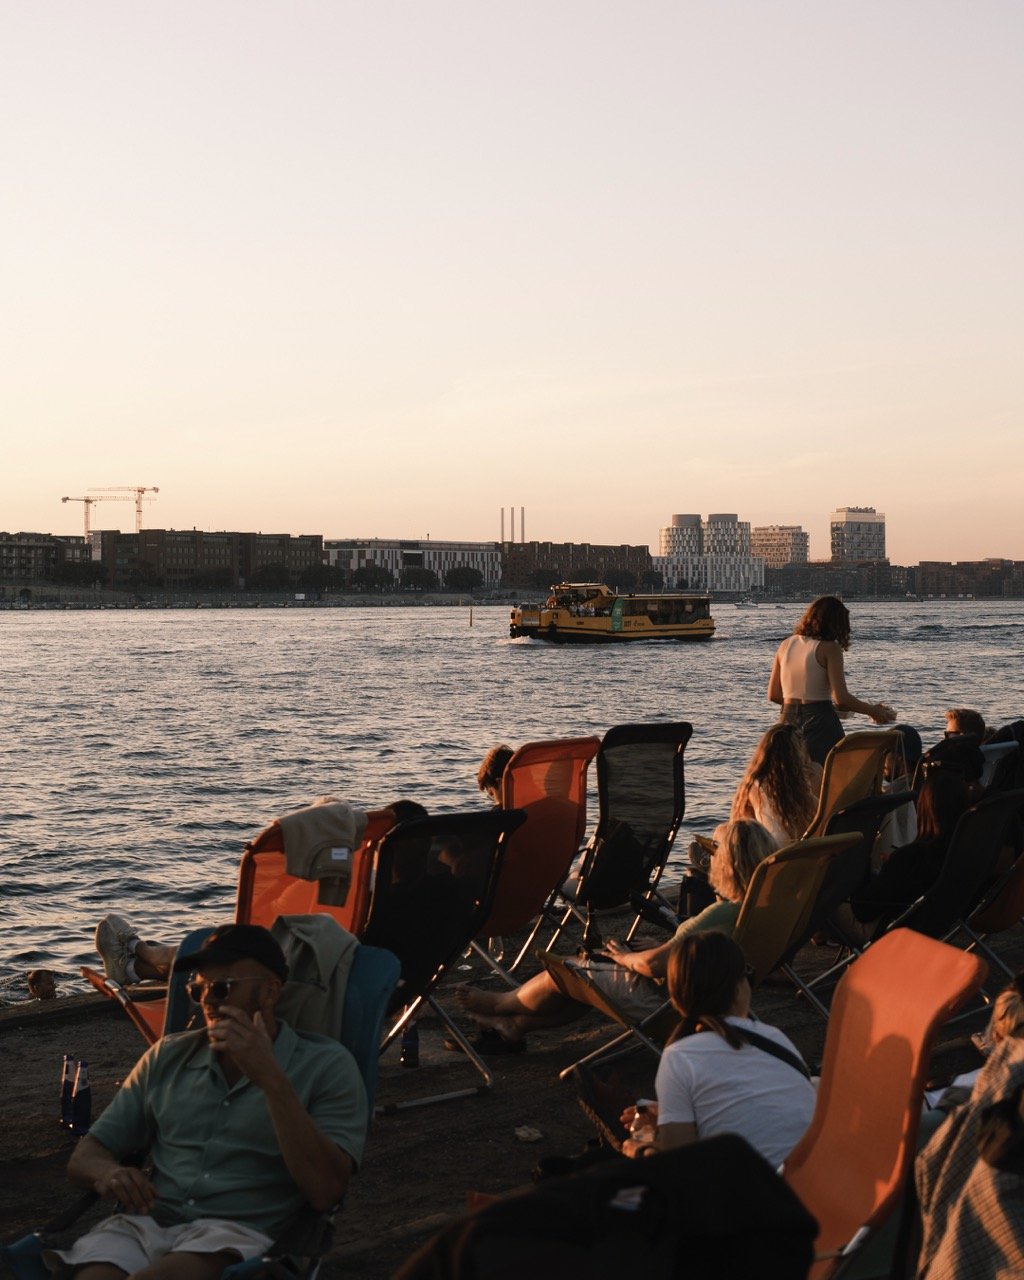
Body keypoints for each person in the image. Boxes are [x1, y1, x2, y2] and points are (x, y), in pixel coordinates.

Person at [47, 924, 367, 1279]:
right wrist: (109, 1172)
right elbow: (85, 1156)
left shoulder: (326, 1066)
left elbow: (326, 1192)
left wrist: (271, 1080)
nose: (208, 1003)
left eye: (221, 989)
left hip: (238, 1236)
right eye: (197, 989)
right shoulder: (169, 1057)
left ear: (269, 993)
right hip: (148, 1225)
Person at [454, 820, 776, 1051]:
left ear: (728, 866)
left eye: (715, 854)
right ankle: (514, 1026)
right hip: (707, 996)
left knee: (571, 969)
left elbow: (652, 967)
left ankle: (499, 1003)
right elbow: (701, 952)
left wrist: (625, 957)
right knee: (588, 985)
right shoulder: (757, 910)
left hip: (668, 1003)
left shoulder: (723, 912)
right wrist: (669, 947)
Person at [94, 800, 426, 986]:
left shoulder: (364, 885)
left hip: (314, 978)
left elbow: (275, 911)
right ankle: (136, 967)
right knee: (229, 949)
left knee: (224, 946)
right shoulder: (436, 892)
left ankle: (141, 951)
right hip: (395, 979)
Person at [621, 931, 815, 1167]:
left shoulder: (680, 1057)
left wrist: (642, 1150)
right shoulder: (775, 1037)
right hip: (819, 1178)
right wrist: (671, 1111)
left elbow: (678, 1166)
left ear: (676, 996)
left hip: (767, 1196)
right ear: (738, 987)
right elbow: (754, 1104)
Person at [841, 765, 971, 937]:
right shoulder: (963, 852)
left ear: (924, 808)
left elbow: (863, 910)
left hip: (888, 931)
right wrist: (891, 868)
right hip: (935, 925)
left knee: (819, 897)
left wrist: (862, 860)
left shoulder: (914, 857)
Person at [768, 596, 896, 766]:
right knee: (831, 778)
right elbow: (841, 699)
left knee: (794, 779)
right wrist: (874, 711)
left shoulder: (785, 645)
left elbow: (774, 695)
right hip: (820, 723)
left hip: (787, 721)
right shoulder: (830, 649)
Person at [730, 723, 822, 845]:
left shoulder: (755, 785)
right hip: (810, 851)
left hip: (774, 855)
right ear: (798, 752)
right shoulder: (814, 773)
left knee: (721, 833)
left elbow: (741, 826)